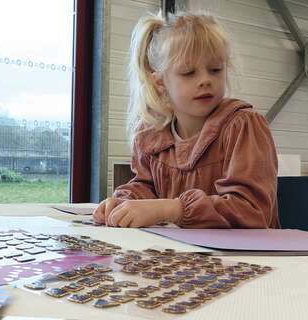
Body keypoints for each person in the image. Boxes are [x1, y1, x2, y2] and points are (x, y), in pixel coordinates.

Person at [93, 12, 279, 228]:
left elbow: (252, 211)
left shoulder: (243, 125)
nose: (205, 80)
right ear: (160, 82)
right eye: (189, 72)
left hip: (250, 258)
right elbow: (145, 187)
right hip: (182, 256)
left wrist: (173, 209)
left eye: (215, 70)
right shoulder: (151, 136)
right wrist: (124, 202)